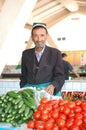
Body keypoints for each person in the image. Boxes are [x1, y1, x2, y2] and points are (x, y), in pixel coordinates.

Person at [20, 23, 65, 95]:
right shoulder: (26, 54)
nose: (39, 39)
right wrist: (23, 88)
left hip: (48, 91)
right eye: (36, 36)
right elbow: (23, 76)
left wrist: (53, 85)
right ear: (32, 38)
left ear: (46, 36)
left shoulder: (55, 53)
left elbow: (60, 75)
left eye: (42, 35)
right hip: (30, 92)